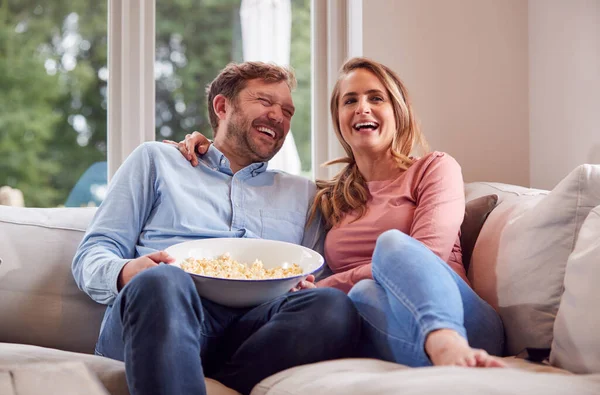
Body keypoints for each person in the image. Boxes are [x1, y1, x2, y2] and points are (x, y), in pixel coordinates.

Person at [175, 57, 506, 368]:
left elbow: (429, 254)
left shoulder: (433, 168)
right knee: (360, 296)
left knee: (392, 246)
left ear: (397, 111)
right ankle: (438, 357)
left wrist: (332, 284)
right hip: (387, 328)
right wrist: (204, 147)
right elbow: (308, 268)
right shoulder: (331, 198)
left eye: (376, 98)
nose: (363, 107)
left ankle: (446, 342)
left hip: (459, 316)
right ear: (339, 119)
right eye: (350, 101)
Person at [72, 61, 361, 395]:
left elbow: (316, 275)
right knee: (163, 279)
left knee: (331, 306)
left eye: (287, 111)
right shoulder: (157, 161)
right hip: (161, 313)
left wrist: (301, 286)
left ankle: (199, 382)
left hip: (249, 335)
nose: (278, 117)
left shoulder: (304, 194)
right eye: (265, 102)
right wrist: (127, 272)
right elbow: (91, 255)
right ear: (222, 106)